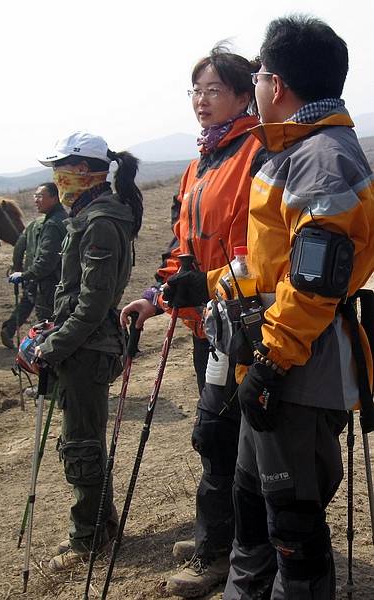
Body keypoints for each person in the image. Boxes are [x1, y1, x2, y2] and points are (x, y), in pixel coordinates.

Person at [165, 15, 374, 600]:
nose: (256, 83)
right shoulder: (295, 151)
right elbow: (271, 267)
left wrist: (272, 362)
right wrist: (207, 285)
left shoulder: (320, 160)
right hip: (270, 356)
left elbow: (314, 282)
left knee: (293, 525)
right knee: (252, 503)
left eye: (258, 75)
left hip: (297, 367)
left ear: (275, 84)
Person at [121, 45, 265, 597]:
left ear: (244, 95)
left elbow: (261, 251)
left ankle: (221, 551)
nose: (202, 101)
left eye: (214, 91)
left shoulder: (257, 153)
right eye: (196, 91)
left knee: (219, 435)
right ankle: (220, 532)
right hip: (209, 325)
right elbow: (184, 249)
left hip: (245, 322)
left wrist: (205, 284)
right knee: (217, 436)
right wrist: (154, 298)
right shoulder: (200, 161)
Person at [33, 131, 143, 572]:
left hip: (88, 348)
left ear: (82, 171)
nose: (57, 178)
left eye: (61, 169)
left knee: (81, 445)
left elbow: (94, 303)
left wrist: (53, 347)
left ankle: (89, 538)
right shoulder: (88, 215)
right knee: (82, 440)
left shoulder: (99, 221)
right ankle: (100, 524)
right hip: (81, 343)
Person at [8, 182, 67, 322]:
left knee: (47, 325)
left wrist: (24, 274)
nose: (36, 200)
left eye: (40, 196)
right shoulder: (62, 218)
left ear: (54, 198)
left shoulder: (52, 225)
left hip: (49, 286)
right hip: (59, 283)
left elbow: (46, 262)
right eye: (35, 196)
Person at [0, 214, 44, 349]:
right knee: (46, 307)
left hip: (29, 271)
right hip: (46, 272)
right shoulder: (60, 221)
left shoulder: (33, 224)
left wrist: (18, 267)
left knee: (27, 302)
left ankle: (9, 329)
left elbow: (19, 246)